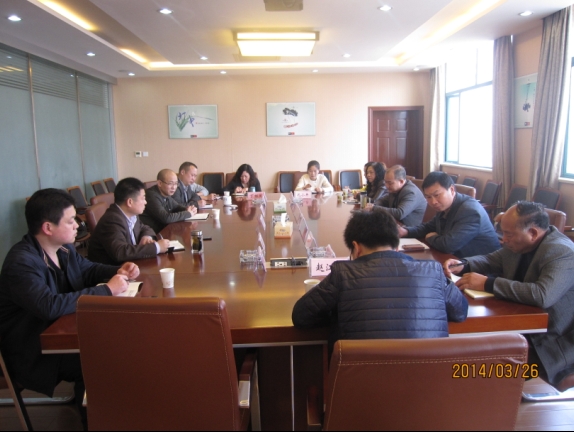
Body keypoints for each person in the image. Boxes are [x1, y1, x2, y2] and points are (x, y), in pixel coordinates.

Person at [0, 189, 139, 428]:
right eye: (70, 220)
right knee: (98, 356)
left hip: (60, 332)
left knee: (115, 344)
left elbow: (88, 269)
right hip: (31, 348)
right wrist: (107, 290)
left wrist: (118, 271)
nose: (77, 225)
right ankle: (94, 424)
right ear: (48, 227)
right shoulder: (21, 263)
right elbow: (49, 305)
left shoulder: (64, 249)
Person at [292, 207, 468, 353]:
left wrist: (339, 313)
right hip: (430, 381)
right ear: (397, 246)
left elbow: (301, 317)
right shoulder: (433, 271)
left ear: (356, 248)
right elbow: (461, 311)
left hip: (359, 383)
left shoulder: (343, 273)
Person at [444, 201, 574, 388]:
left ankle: (502, 400)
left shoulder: (561, 252)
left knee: (473, 372)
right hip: (521, 329)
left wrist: (487, 283)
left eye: (508, 234)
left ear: (533, 233)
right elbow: (491, 260)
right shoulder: (520, 244)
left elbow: (542, 295)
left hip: (549, 346)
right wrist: (463, 264)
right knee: (462, 356)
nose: (503, 239)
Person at [398, 171, 500, 258]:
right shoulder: (445, 205)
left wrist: (430, 237)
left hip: (480, 268)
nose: (433, 202)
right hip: (457, 260)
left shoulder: (470, 211)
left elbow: (448, 245)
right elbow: (428, 227)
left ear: (451, 190)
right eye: (428, 197)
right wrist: (405, 231)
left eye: (437, 195)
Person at [88, 177, 171, 265]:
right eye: (143, 198)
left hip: (131, 264)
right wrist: (157, 247)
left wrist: (146, 236)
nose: (145, 202)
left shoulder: (131, 214)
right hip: (113, 270)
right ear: (130, 202)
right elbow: (120, 252)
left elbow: (144, 228)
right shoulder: (112, 220)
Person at [140, 169, 197, 233]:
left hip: (166, 230)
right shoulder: (151, 195)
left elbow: (176, 207)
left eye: (176, 184)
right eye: (170, 183)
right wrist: (188, 213)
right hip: (153, 234)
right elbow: (166, 218)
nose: (174, 187)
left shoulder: (165, 193)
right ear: (160, 183)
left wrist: (187, 209)